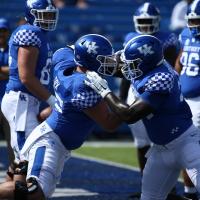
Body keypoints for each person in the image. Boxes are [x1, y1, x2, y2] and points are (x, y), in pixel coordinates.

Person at [0, 34, 122, 199]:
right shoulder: (85, 87)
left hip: (49, 135)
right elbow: (110, 124)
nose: (109, 63)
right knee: (35, 192)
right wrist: (134, 102)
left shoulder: (64, 61)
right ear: (90, 60)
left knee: (25, 182)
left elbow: (68, 49)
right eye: (104, 59)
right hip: (50, 141)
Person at [84, 34, 200, 200]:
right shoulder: (147, 67)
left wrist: (104, 91)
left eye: (131, 63)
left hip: (185, 143)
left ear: (145, 63)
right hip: (160, 149)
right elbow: (117, 67)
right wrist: (89, 64)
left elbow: (129, 115)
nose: (126, 66)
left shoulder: (162, 78)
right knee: (149, 197)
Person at [0, 0, 59, 183]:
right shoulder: (29, 32)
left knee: (22, 156)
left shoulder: (39, 34)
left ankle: (9, 191)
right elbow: (26, 77)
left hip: (26, 100)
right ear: (31, 14)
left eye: (51, 14)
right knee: (27, 156)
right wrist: (52, 100)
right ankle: (18, 193)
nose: (48, 18)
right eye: (44, 14)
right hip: (21, 100)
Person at [0, 17, 14, 172]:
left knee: (12, 140)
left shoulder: (13, 49)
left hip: (9, 101)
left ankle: (13, 170)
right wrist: (7, 72)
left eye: (3, 30)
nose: (1, 34)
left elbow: (16, 71)